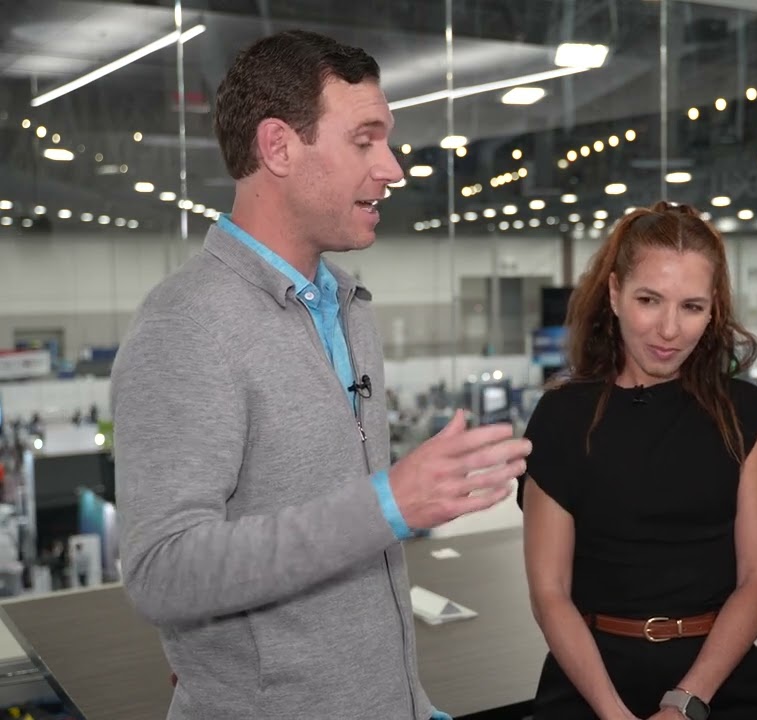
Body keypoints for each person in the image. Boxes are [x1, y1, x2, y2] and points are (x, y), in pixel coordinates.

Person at [111, 30, 530, 719]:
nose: (392, 167)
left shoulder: (347, 306)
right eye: (365, 141)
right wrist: (388, 503)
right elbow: (162, 571)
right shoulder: (186, 325)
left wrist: (408, 702)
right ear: (279, 147)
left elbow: (354, 569)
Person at [519, 202, 757, 720]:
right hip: (589, 685)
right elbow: (550, 593)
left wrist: (684, 703)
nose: (669, 329)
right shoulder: (560, 417)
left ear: (713, 310)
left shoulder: (747, 414)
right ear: (614, 294)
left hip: (716, 685)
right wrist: (612, 712)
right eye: (649, 300)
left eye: (691, 307)